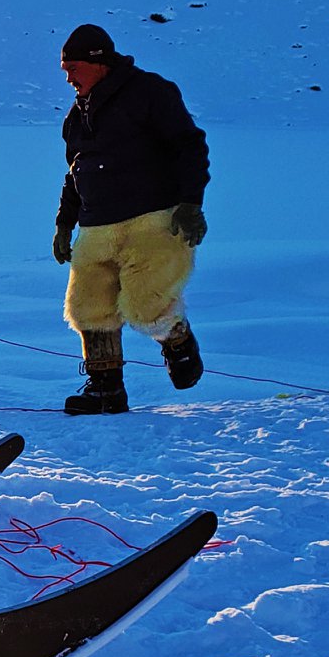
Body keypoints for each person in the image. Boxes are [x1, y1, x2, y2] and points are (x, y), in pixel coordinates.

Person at [51, 23, 210, 415]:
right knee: (88, 305)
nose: (68, 78)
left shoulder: (150, 92)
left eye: (73, 68)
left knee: (145, 301)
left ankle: (178, 343)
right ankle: (105, 389)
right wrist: (64, 222)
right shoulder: (75, 118)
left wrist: (190, 203)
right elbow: (75, 173)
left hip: (153, 219)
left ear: (97, 62)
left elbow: (189, 145)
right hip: (96, 225)